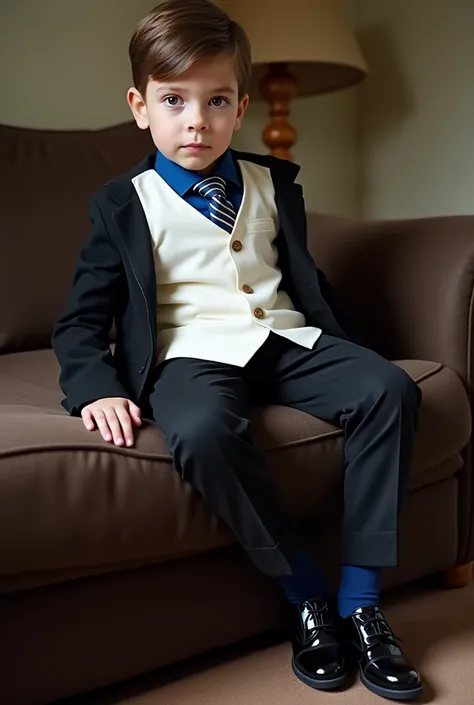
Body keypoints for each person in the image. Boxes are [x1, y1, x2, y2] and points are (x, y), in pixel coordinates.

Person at [52, 0, 423, 699]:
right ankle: (307, 594)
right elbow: (78, 321)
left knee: (389, 388)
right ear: (140, 107)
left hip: (283, 336)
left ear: (241, 105)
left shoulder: (273, 183)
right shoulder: (122, 204)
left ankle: (362, 600)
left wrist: (354, 350)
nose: (197, 119)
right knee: (198, 430)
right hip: (190, 352)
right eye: (174, 100)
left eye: (216, 100)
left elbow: (303, 280)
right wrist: (95, 386)